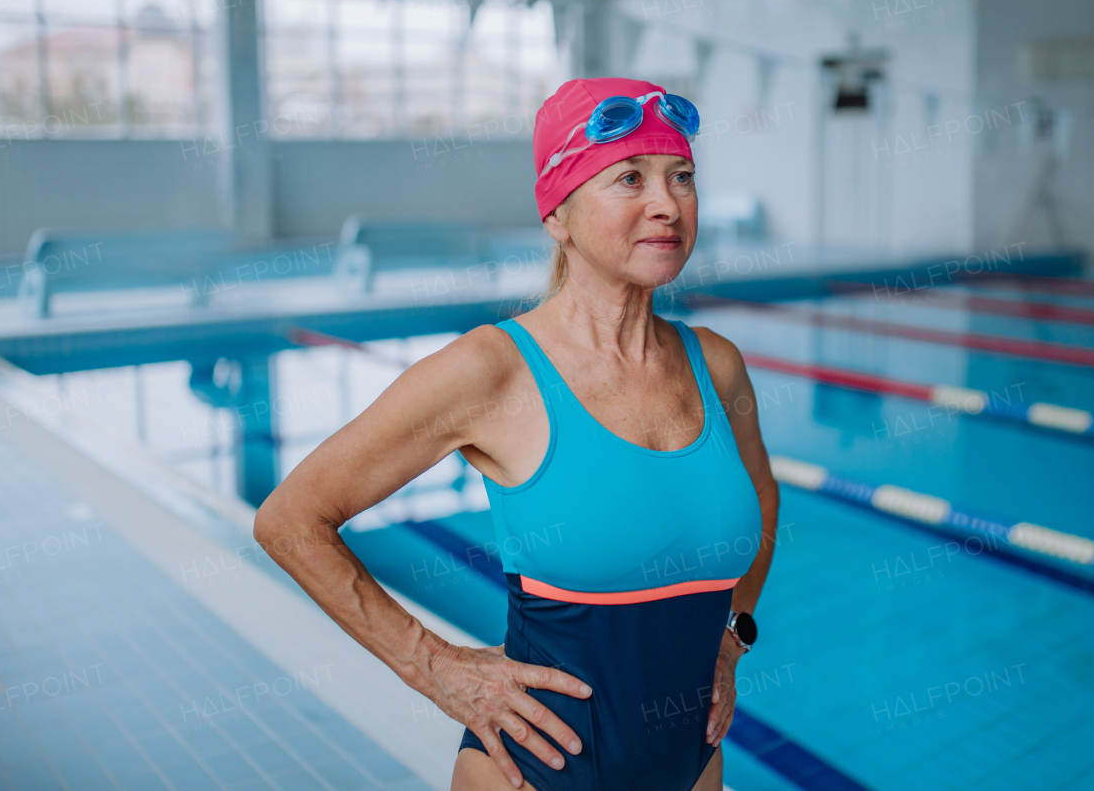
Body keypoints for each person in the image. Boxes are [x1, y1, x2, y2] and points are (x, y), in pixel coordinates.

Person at [253, 77, 781, 791]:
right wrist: (434, 665)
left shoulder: (715, 365)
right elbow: (290, 519)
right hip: (534, 773)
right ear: (558, 214)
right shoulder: (491, 371)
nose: (668, 204)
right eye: (630, 178)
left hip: (692, 767)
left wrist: (734, 633)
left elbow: (762, 493)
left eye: (681, 176)